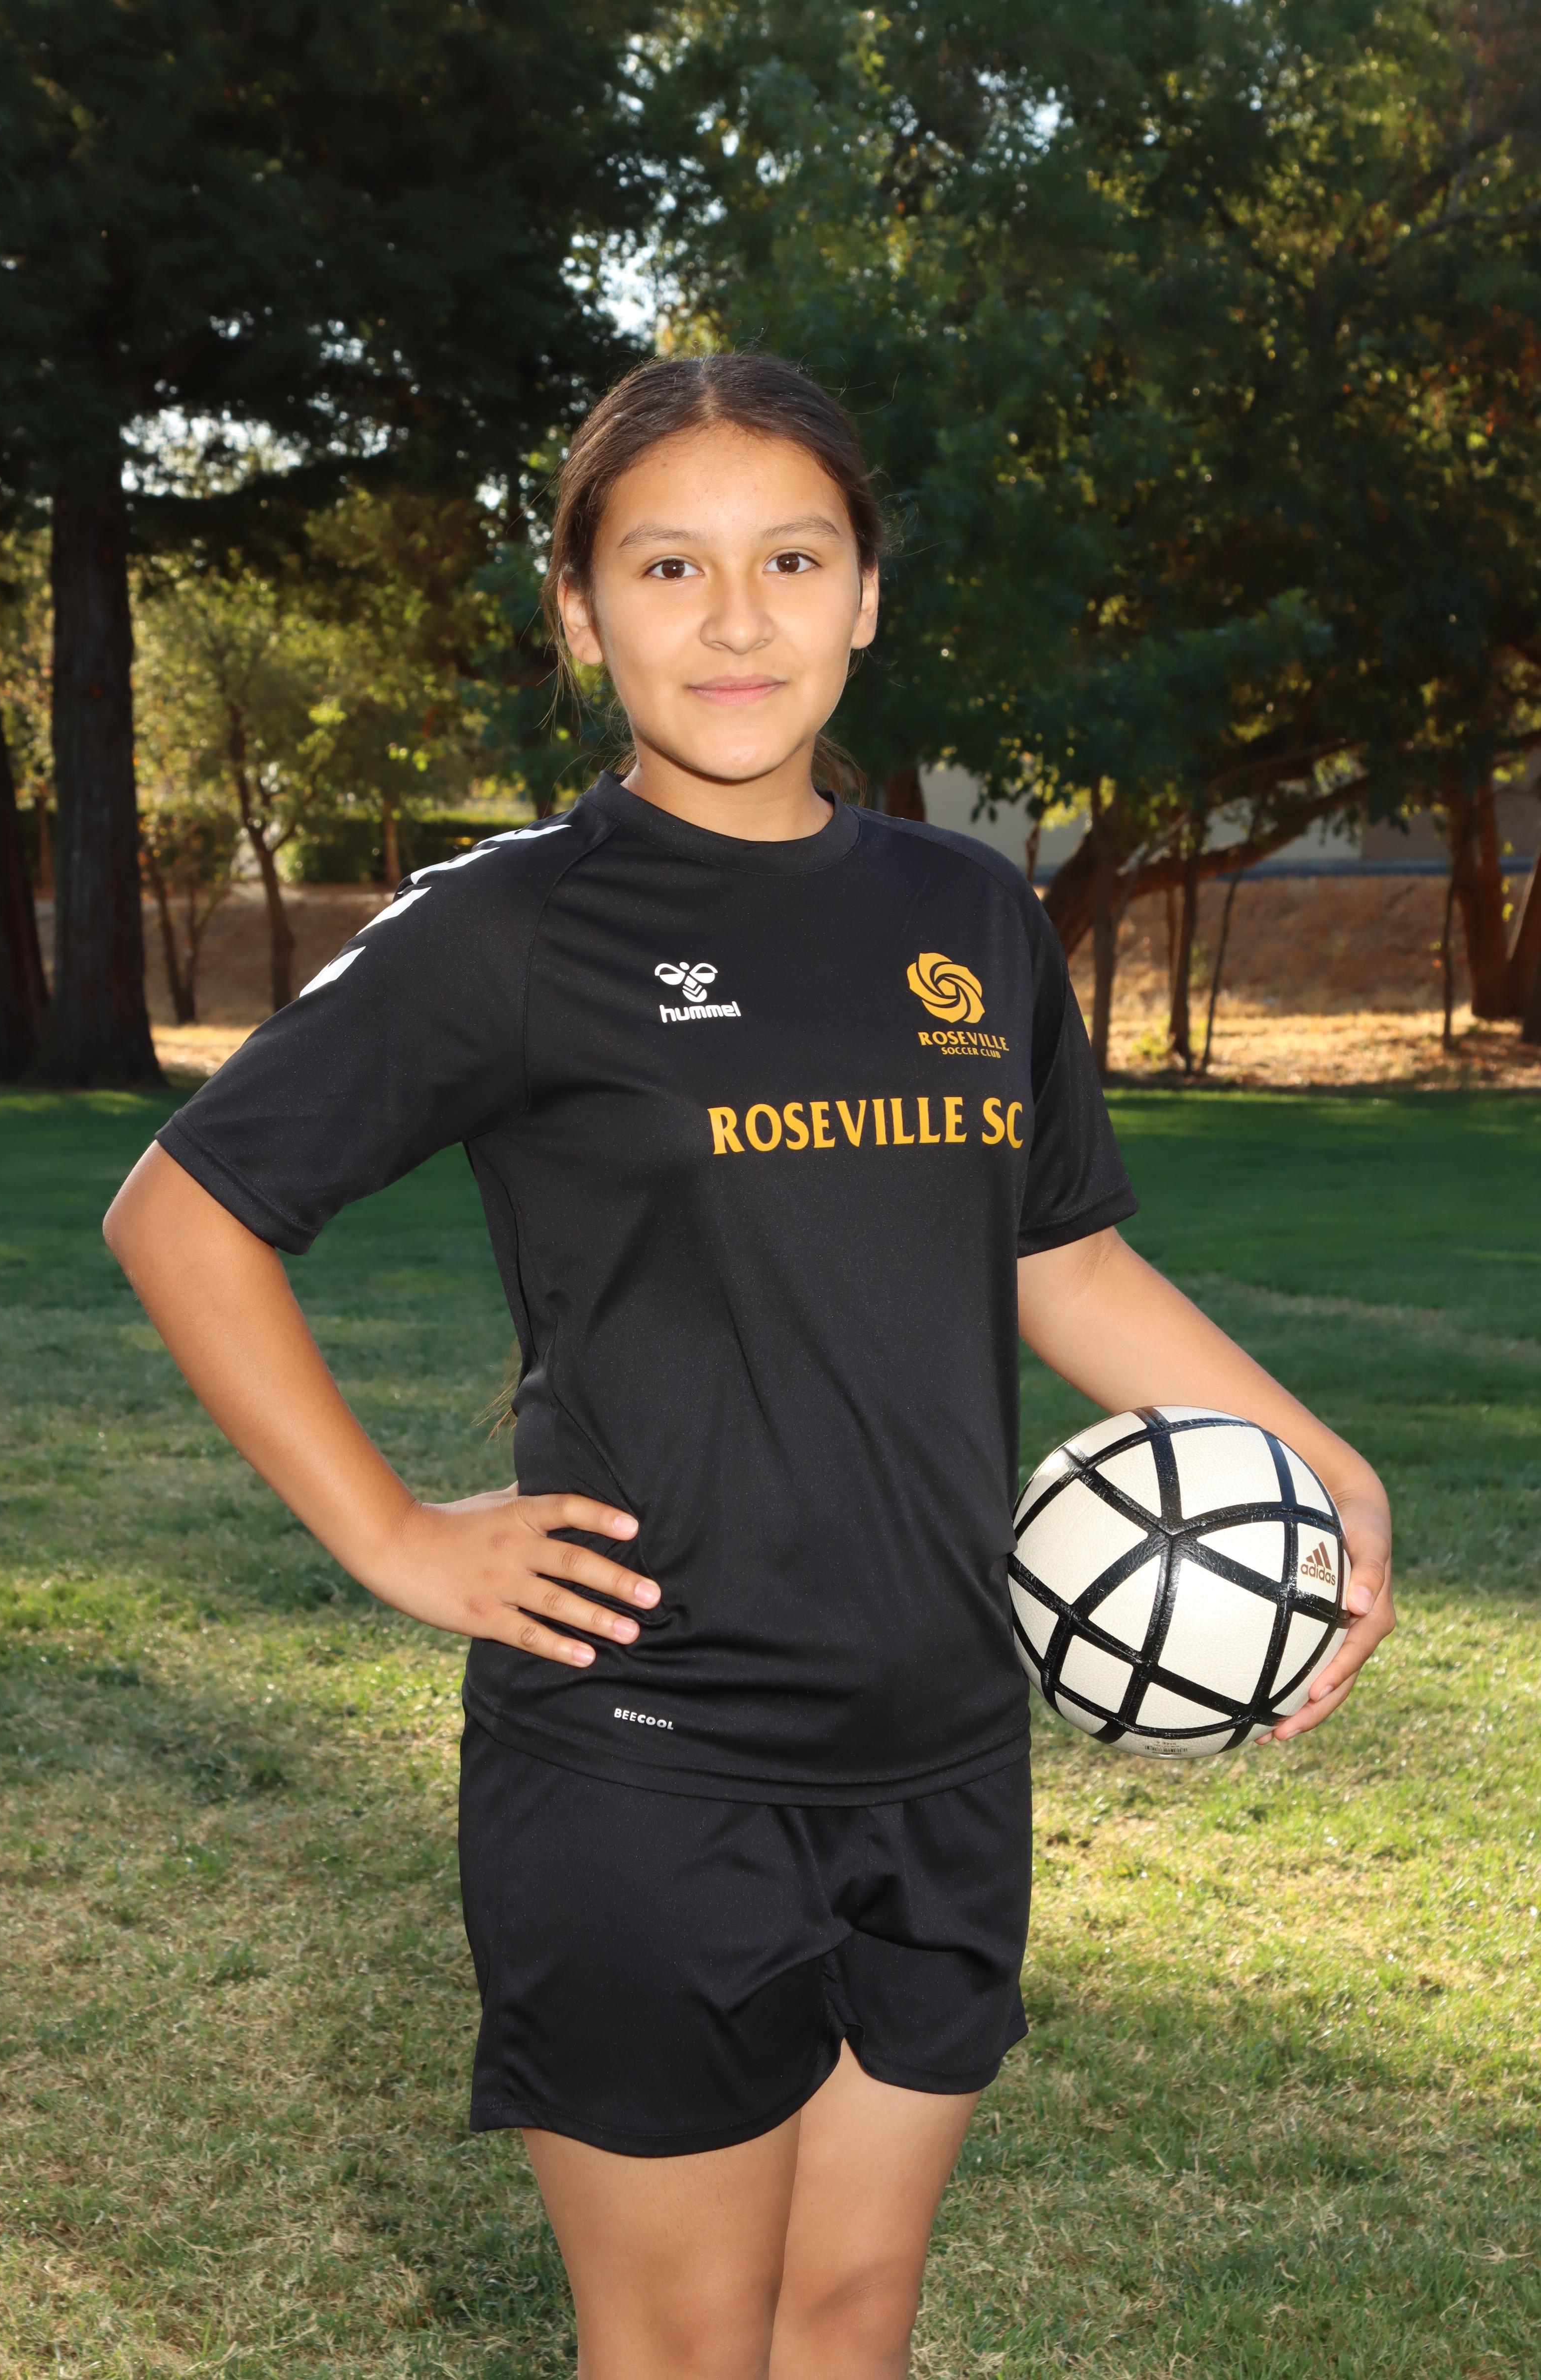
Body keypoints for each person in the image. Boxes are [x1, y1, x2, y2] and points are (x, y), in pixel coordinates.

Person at [104, 353, 1396, 2380]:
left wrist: (1323, 1462)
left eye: (789, 560)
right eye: (666, 567)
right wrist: (392, 1535)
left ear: (865, 593)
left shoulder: (966, 911)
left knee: (849, 2318)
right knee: (689, 2344)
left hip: (943, 1737)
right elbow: (184, 1214)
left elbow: (1056, 1255)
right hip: (651, 1757)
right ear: (578, 613)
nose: (734, 620)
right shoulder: (520, 925)